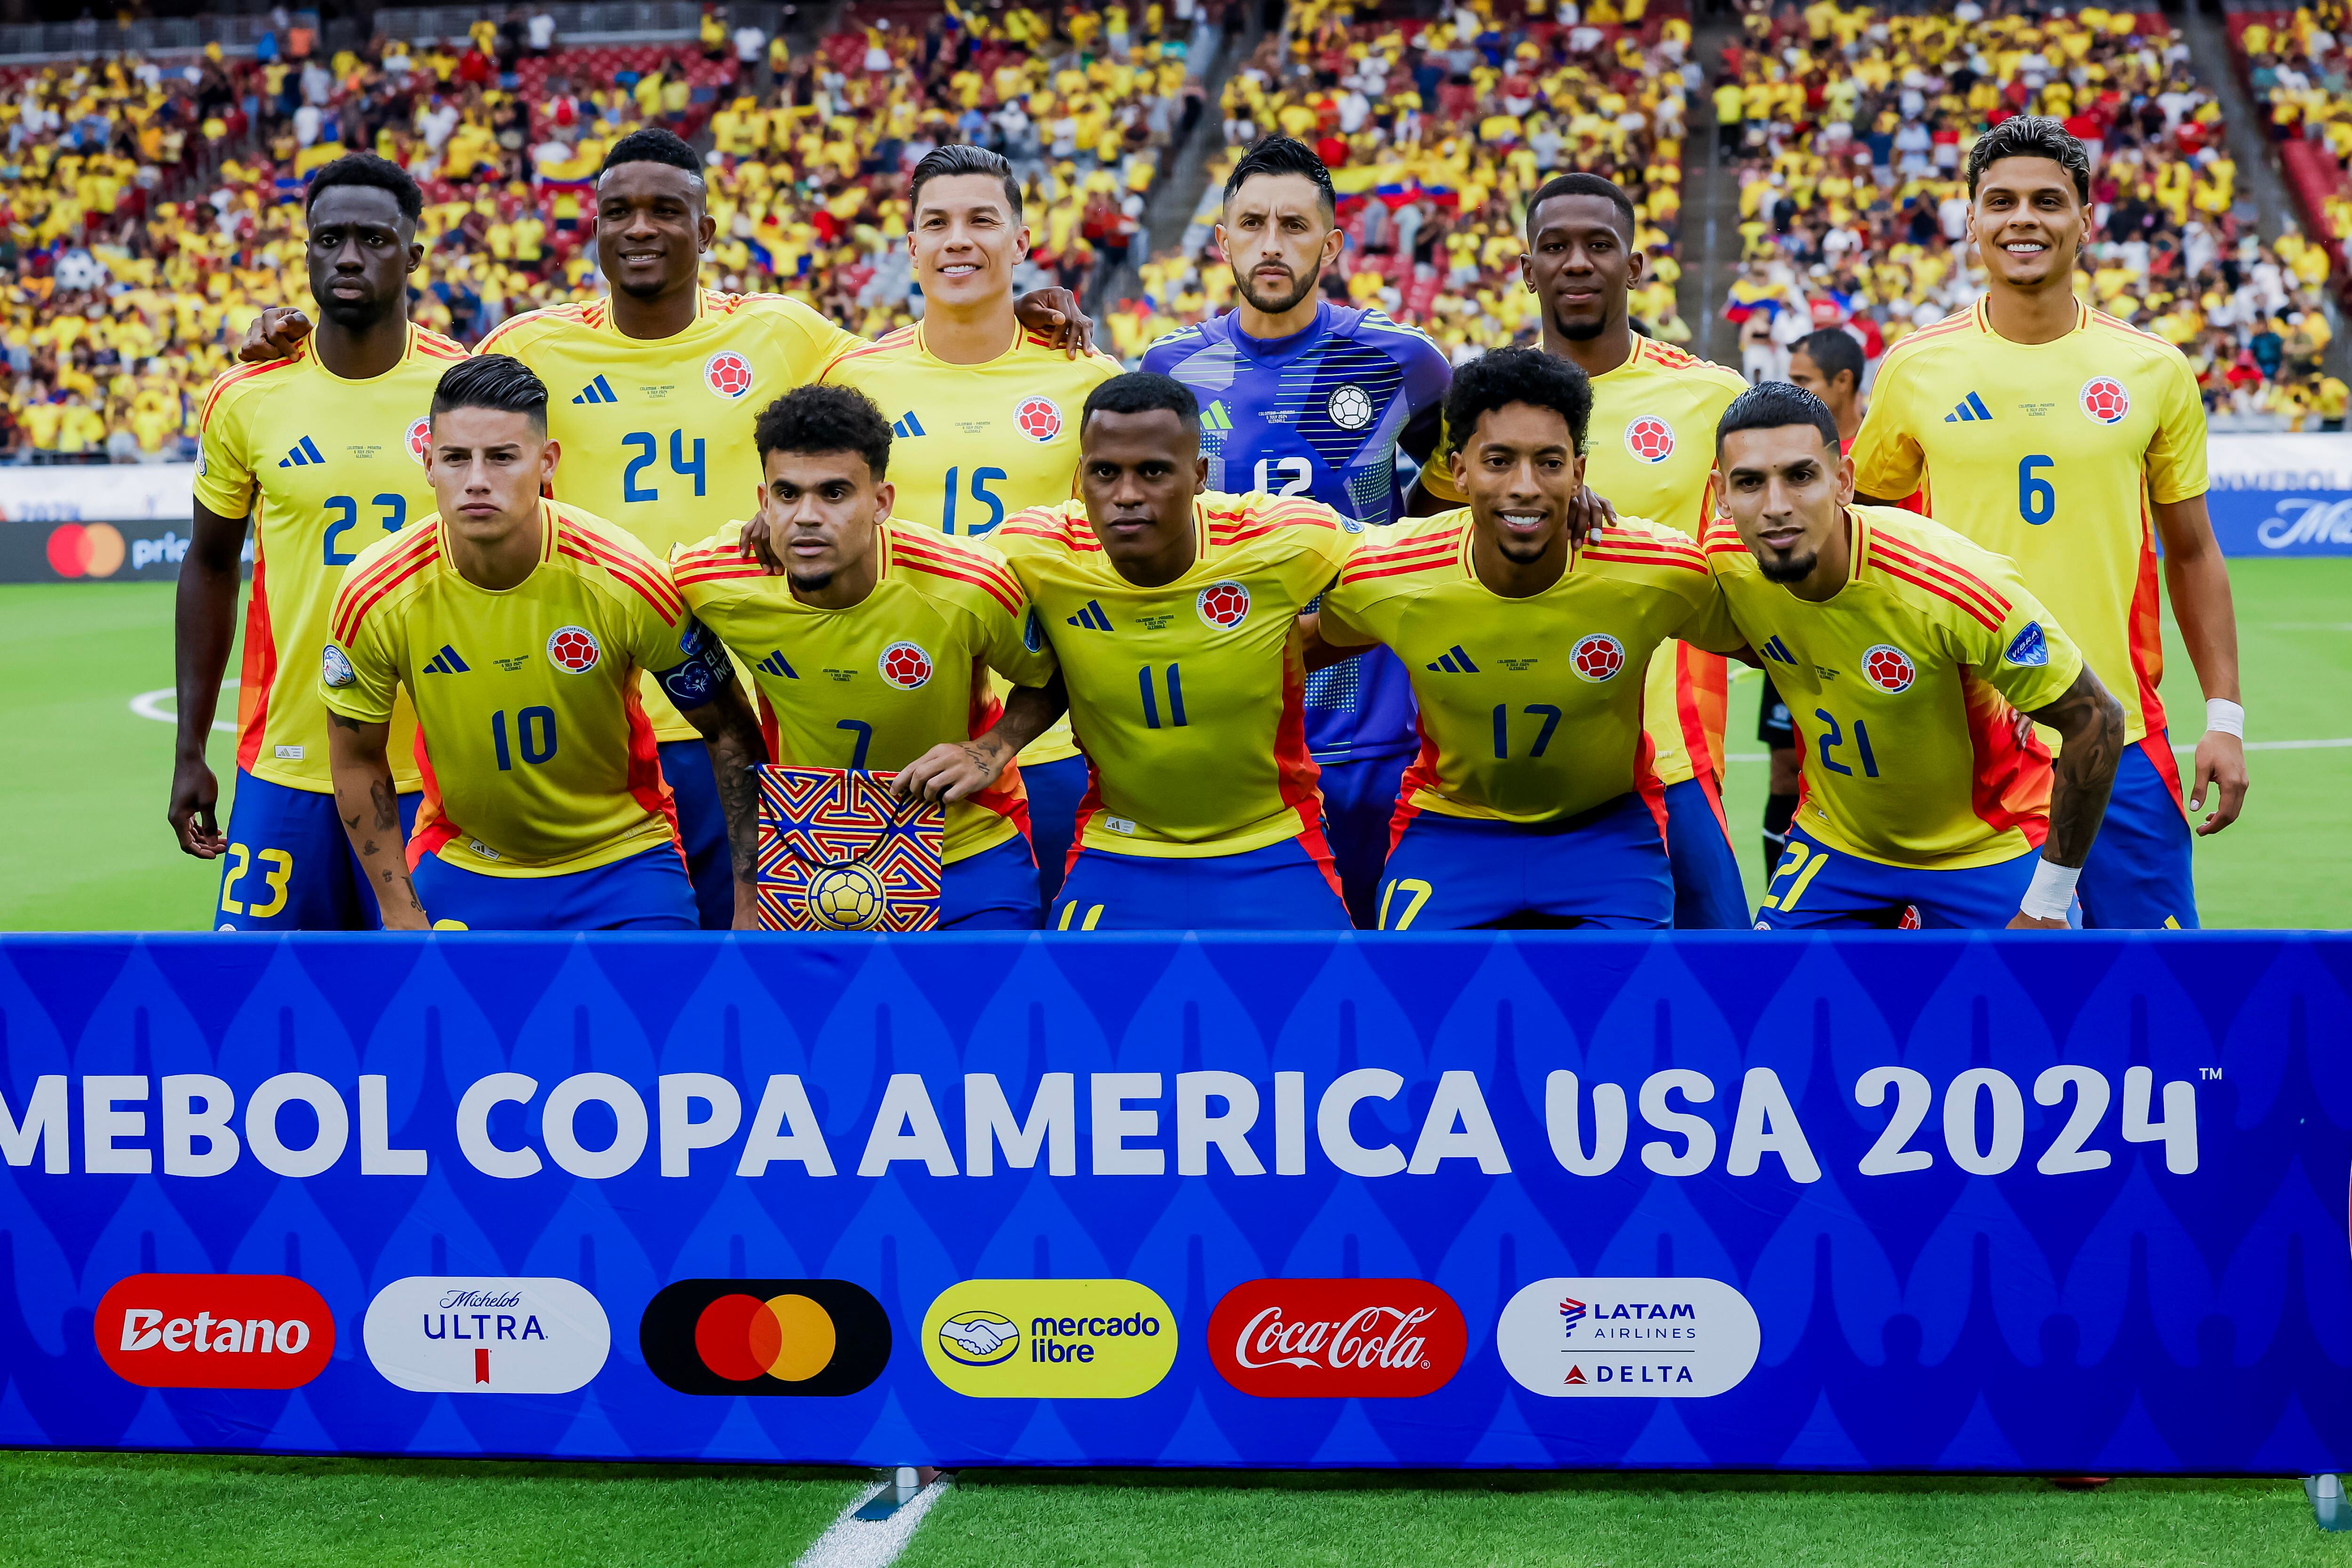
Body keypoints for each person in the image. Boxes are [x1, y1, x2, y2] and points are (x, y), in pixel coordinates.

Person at [236, 130, 1095, 931]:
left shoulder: (784, 333)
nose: (641, 230)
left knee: (754, 964)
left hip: (743, 712)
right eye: (619, 213)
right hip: (593, 715)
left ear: (706, 229)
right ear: (593, 229)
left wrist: (1025, 315)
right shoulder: (529, 344)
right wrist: (301, 341)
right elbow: (429, 392)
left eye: (664, 212)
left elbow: (925, 364)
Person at [1851, 116, 2247, 929]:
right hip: (1975, 747)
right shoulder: (1917, 368)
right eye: (2000, 201)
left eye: (2047, 201)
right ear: (1971, 222)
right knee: (1991, 1010)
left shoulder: (2152, 368)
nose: (2022, 219)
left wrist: (2225, 719)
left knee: (2159, 999)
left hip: (2125, 738)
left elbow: (2195, 550)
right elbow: (1867, 534)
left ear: (2085, 222)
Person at [738, 145, 1122, 909]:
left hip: (1049, 729)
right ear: (910, 248)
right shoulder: (853, 375)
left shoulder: (1090, 381)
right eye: (936, 223)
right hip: (892, 736)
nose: (958, 240)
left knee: (1031, 984)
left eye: (982, 221)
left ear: (1021, 241)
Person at [321, 357, 767, 931]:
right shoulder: (374, 593)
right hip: (466, 863)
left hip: (624, 864)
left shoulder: (623, 577)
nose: (477, 479)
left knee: (651, 1019)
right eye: (457, 458)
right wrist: (399, 910)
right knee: (434, 1020)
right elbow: (356, 760)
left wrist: (750, 903)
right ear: (428, 464)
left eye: (502, 457)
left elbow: (731, 729)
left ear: (546, 461)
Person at [1310, 348, 1748, 930]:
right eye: (1498, 461)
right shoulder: (1391, 574)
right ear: (1458, 470)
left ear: (1579, 472)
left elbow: (1773, 645)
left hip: (1606, 834)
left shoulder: (1654, 569)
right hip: (1449, 830)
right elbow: (1290, 650)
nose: (1524, 486)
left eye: (1548, 463)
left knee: (1626, 1011)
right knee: (1415, 1008)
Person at [1416, 173, 1751, 929]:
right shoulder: (1483, 404)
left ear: (1634, 267)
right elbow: (1428, 541)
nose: (1576, 263)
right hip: (1501, 763)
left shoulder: (1708, 396)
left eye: (1599, 245)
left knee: (1720, 982)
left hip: (1669, 754)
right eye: (1555, 247)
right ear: (1526, 269)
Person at [1141, 135, 1454, 930]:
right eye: (1251, 224)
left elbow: (1452, 508)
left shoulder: (1403, 362)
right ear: (1222, 240)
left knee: (1379, 976)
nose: (1271, 244)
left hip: (1368, 741)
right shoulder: (1169, 369)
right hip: (1220, 741)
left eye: (1293, 225)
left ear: (1333, 243)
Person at [170, 153, 465, 929]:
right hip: (285, 763)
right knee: (256, 1011)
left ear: (414, 255)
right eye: (328, 237)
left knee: (432, 1014)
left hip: (437, 769)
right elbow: (208, 564)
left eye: (373, 238)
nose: (348, 256)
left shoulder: (465, 389)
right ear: (304, 250)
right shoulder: (246, 395)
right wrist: (190, 748)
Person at [1708, 383, 2126, 929]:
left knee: (2020, 1010)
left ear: (1843, 482)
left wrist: (2046, 903)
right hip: (1838, 843)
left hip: (1988, 844)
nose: (1776, 506)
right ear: (1720, 493)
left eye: (1800, 476)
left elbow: (2097, 720)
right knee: (1774, 1006)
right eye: (1749, 483)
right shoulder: (1723, 565)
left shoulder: (1952, 586)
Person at [672, 385, 1064, 929]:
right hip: (808, 862)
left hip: (968, 851)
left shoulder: (969, 586)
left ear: (880, 502)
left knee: (980, 1012)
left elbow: (1050, 679)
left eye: (834, 493)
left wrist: (990, 751)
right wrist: (747, 897)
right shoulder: (708, 582)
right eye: (788, 495)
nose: (806, 516)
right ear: (762, 503)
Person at [994, 374, 1358, 931]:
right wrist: (994, 742)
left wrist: (1289, 644)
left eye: (1153, 471)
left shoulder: (1282, 537)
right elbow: (934, 599)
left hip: (1275, 844)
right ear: (1080, 478)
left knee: (1323, 1013)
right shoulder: (1034, 552)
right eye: (1104, 472)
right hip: (1117, 848)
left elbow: (1410, 582)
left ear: (1198, 477)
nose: (1126, 494)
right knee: (1078, 1015)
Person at [1765, 325, 1870, 877]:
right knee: (1786, 769)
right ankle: (1784, 885)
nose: (1794, 390)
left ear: (1843, 381)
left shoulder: (1878, 452)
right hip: (1792, 631)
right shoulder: (1783, 456)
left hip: (1871, 641)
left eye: (1803, 381)